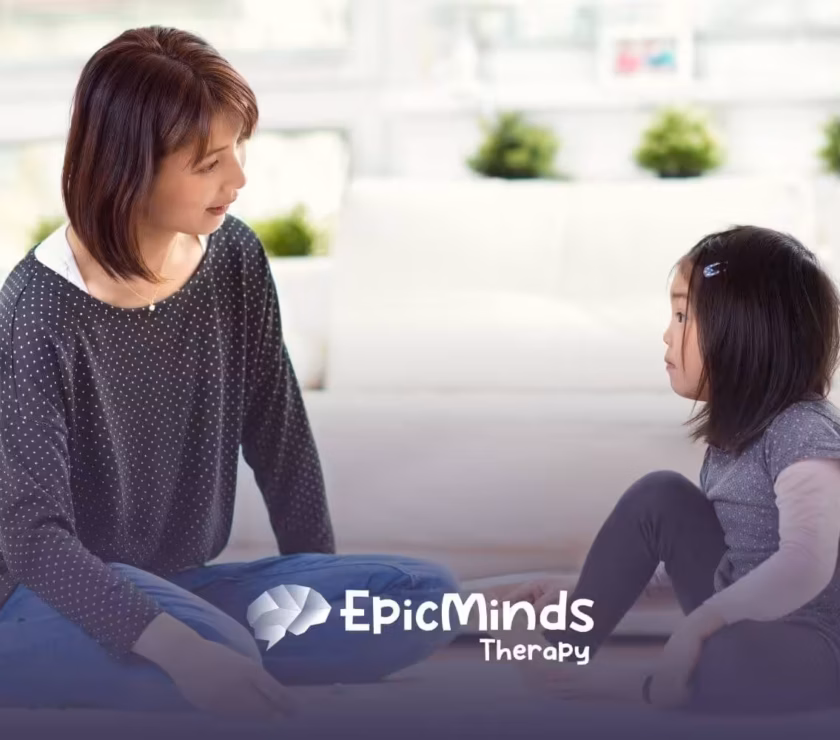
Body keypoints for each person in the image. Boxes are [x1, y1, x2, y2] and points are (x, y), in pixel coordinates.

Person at [0, 25, 458, 719]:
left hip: (185, 584)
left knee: (422, 600)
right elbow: (31, 542)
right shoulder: (38, 315)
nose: (238, 182)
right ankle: (191, 657)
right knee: (213, 653)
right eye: (209, 162)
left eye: (238, 150)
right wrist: (184, 649)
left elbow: (279, 436)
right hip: (50, 598)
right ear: (128, 166)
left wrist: (320, 582)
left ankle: (207, 655)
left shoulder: (232, 256)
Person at [508, 225, 840, 716]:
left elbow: (805, 564)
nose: (667, 333)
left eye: (683, 314)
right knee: (659, 496)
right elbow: (729, 562)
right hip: (737, 623)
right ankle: (562, 651)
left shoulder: (803, 432)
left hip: (811, 645)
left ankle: (631, 686)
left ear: (745, 331)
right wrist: (583, 589)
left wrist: (699, 625)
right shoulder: (734, 439)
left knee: (723, 661)